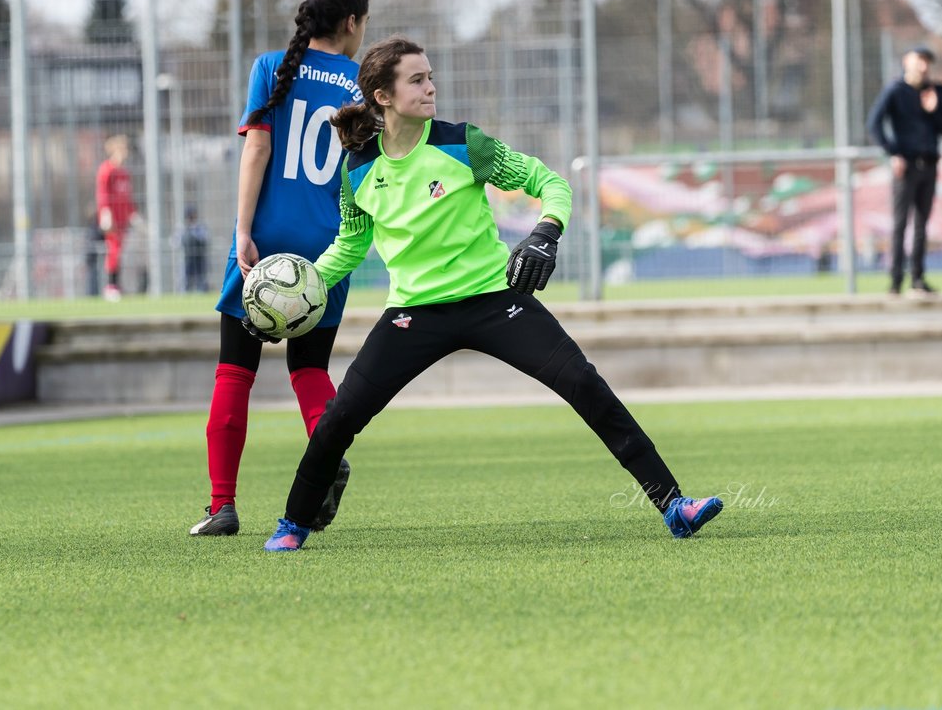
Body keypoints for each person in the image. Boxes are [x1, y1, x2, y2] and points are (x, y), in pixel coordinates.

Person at [261, 36, 724, 552]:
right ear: (382, 96)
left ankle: (673, 505)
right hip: (413, 314)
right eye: (416, 80)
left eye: (430, 76)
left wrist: (545, 233)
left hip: (494, 300)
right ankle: (293, 525)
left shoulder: (464, 144)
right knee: (339, 420)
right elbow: (349, 245)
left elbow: (550, 183)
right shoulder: (358, 171)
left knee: (585, 385)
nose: (431, 87)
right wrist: (297, 294)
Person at [189, 0, 370, 537]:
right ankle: (328, 452)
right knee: (310, 368)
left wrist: (243, 230)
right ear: (351, 24)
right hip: (327, 246)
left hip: (263, 241)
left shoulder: (272, 67)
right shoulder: (362, 85)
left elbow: (258, 148)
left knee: (234, 372)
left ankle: (222, 506)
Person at [866, 45, 942, 296]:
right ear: (907, 62)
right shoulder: (895, 90)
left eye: (927, 61)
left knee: (922, 225)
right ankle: (895, 280)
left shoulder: (932, 93)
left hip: (930, 163)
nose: (923, 66)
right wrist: (893, 152)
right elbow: (874, 123)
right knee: (900, 223)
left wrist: (934, 109)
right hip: (906, 165)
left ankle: (918, 277)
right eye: (919, 60)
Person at [95, 134, 136, 301]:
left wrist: (133, 215)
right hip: (111, 220)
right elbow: (103, 194)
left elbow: (127, 198)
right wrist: (106, 213)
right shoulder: (106, 170)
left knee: (120, 252)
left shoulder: (124, 173)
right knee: (113, 251)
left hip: (122, 221)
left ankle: (117, 285)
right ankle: (110, 286)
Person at [181, 205, 210, 293]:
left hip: (199, 258)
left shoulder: (200, 227)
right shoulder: (183, 228)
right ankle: (185, 292)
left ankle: (201, 291)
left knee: (200, 278)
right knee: (187, 279)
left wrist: (193, 231)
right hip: (188, 258)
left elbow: (205, 238)